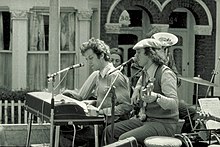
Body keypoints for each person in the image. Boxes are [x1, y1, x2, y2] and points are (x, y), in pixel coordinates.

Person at [102, 38, 179, 146]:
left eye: (139, 53)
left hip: (163, 123)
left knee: (124, 139)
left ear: (150, 55)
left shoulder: (165, 74)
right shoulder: (145, 72)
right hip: (146, 120)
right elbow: (140, 82)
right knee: (110, 131)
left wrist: (156, 97)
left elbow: (174, 103)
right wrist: (137, 89)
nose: (135, 57)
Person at [61, 37, 132, 146]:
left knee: (66, 135)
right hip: (98, 122)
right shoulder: (99, 75)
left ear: (102, 56)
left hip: (109, 125)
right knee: (63, 128)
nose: (89, 63)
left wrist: (101, 112)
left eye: (91, 58)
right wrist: (91, 103)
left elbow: (126, 106)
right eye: (87, 59)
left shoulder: (115, 76)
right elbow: (104, 101)